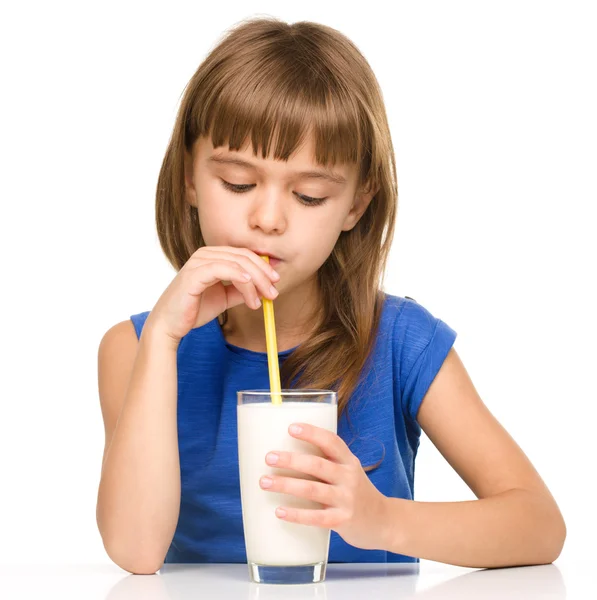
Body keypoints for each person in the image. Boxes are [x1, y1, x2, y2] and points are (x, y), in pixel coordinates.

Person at [95, 17, 566, 575]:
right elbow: (135, 551)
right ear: (189, 181)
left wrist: (381, 520)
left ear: (356, 205)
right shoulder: (136, 348)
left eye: (310, 195)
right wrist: (164, 341)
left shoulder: (400, 344)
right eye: (239, 184)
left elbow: (538, 524)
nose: (267, 219)